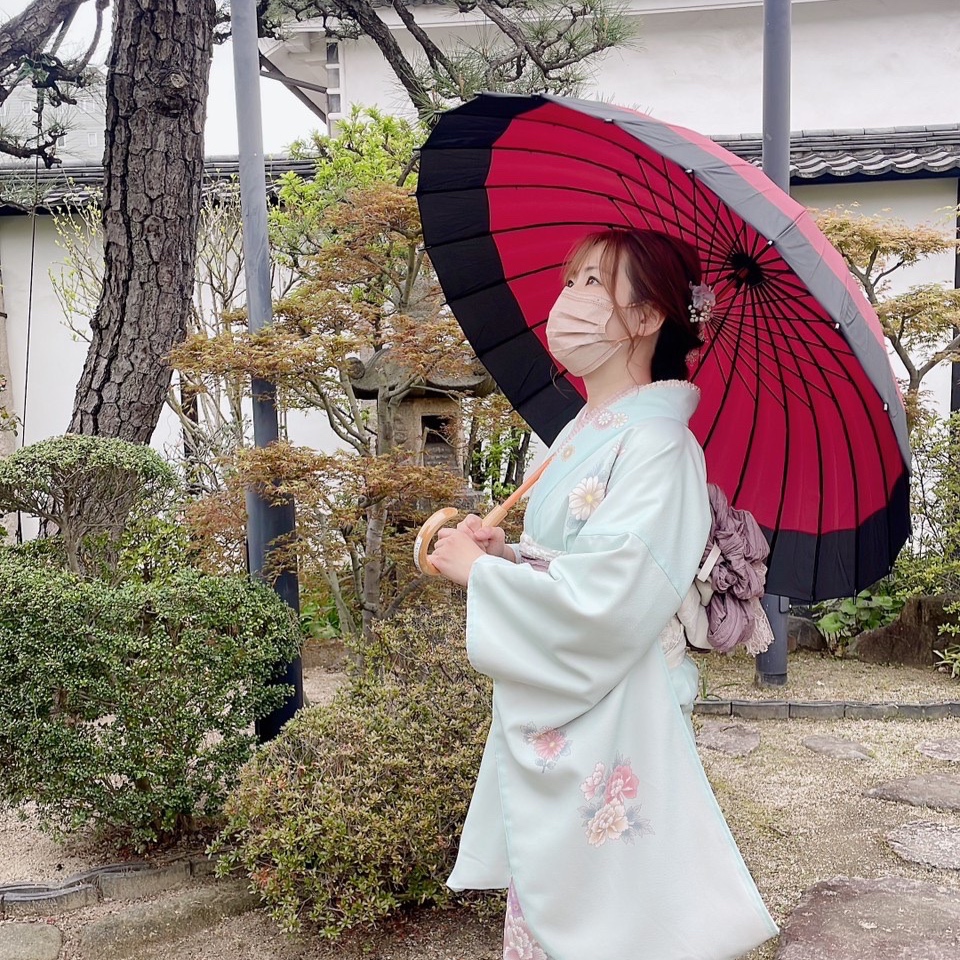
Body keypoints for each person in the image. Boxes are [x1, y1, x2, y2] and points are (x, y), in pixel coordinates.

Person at [428, 227, 778, 960]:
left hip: (615, 703)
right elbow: (575, 562)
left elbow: (616, 593)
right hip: (584, 699)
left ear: (649, 319)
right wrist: (511, 554)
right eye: (571, 280)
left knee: (610, 923)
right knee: (564, 911)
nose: (570, 300)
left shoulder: (658, 444)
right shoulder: (587, 430)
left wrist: (481, 576)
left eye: (595, 284)